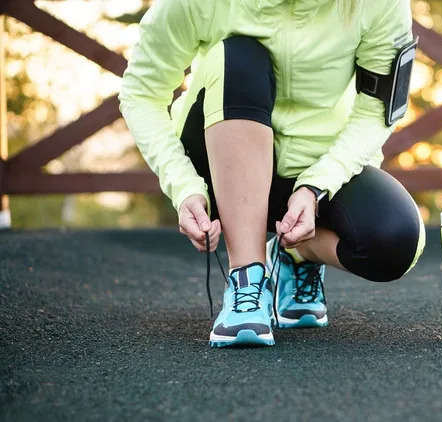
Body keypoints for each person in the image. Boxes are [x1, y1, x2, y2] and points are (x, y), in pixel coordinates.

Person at [119, 0, 426, 347]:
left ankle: (297, 252)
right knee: (241, 57)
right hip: (218, 162)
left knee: (395, 241)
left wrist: (316, 186)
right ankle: (246, 279)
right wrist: (184, 186)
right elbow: (141, 93)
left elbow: (376, 112)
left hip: (318, 167)